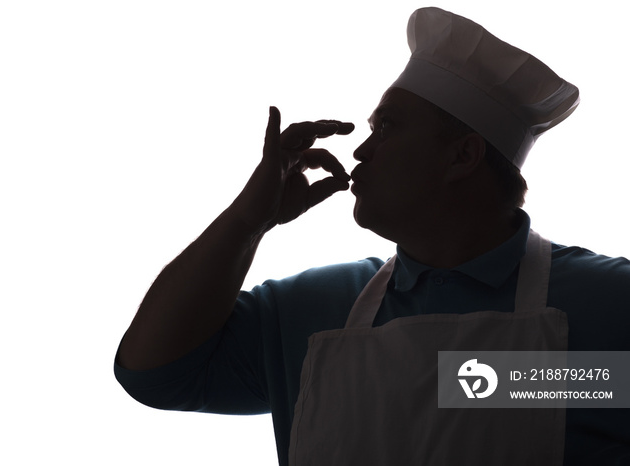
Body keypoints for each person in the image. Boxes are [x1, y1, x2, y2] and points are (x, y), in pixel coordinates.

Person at [114, 7, 630, 465]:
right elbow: (153, 372)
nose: (360, 151)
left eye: (386, 129)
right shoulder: (309, 310)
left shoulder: (610, 300)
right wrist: (248, 220)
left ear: (462, 156)